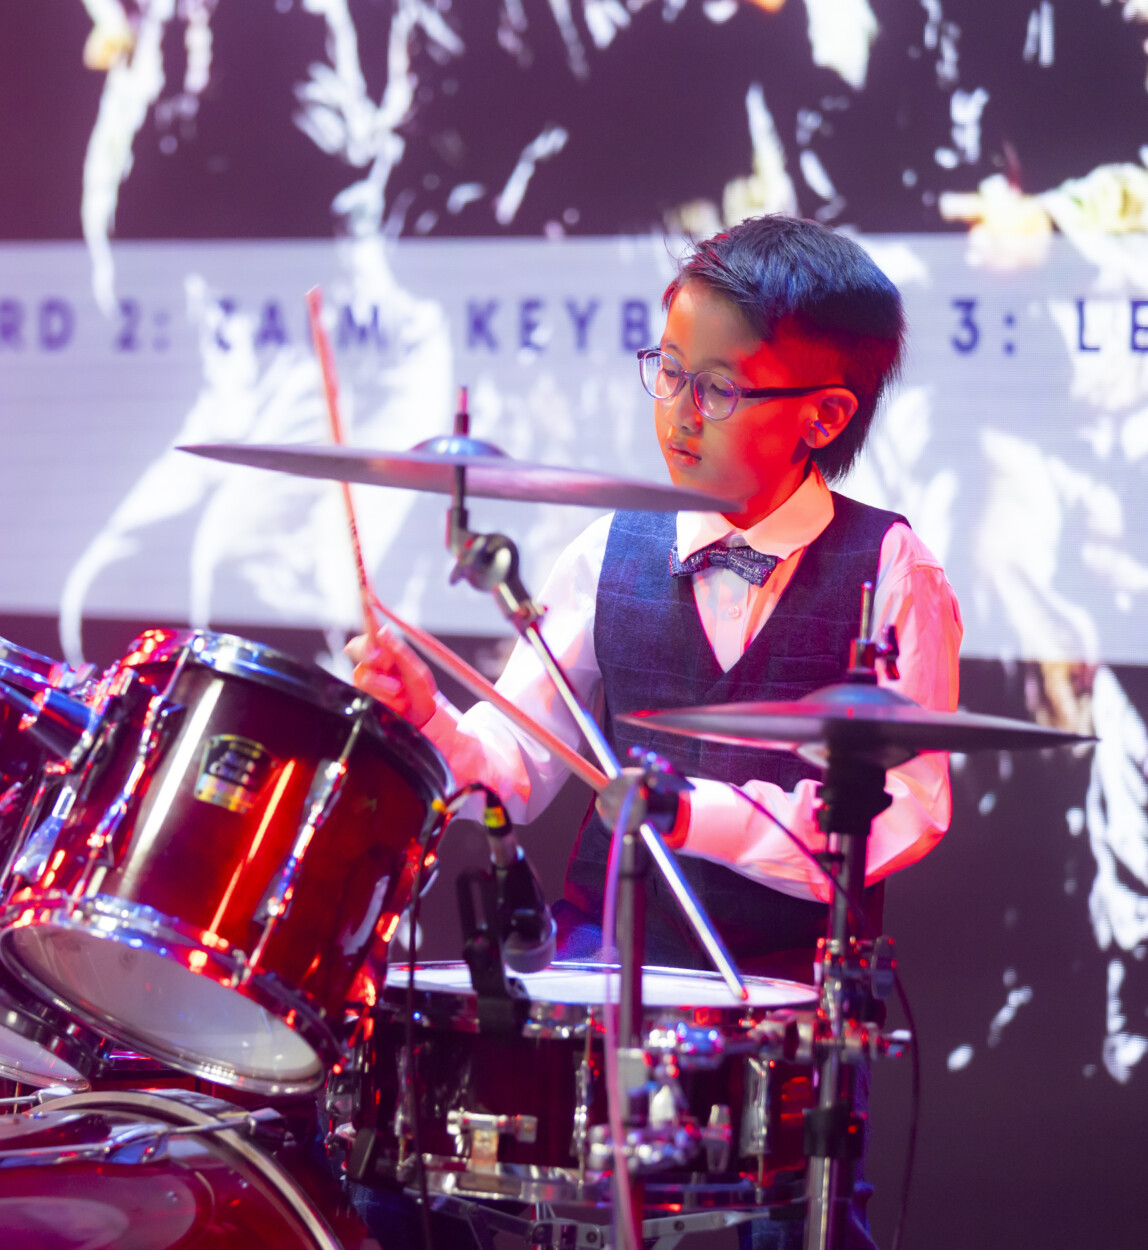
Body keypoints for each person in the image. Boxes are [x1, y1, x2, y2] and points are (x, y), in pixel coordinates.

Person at [346, 214, 963, 1249]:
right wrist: (433, 725)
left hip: (781, 1009)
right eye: (667, 371)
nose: (678, 413)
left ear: (823, 414)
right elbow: (517, 770)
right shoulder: (610, 547)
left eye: (718, 388)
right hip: (604, 976)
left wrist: (694, 812)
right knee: (393, 1180)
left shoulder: (893, 569)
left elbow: (906, 808)